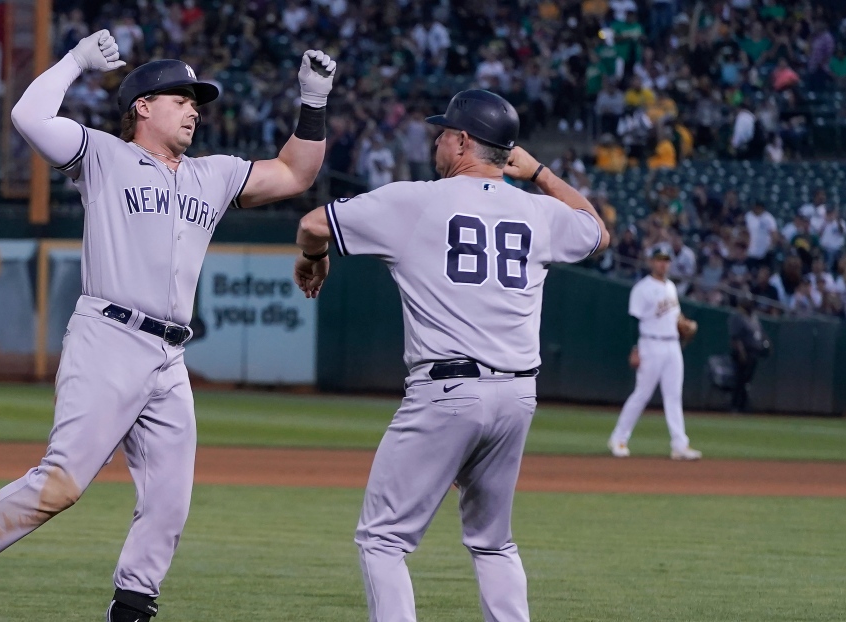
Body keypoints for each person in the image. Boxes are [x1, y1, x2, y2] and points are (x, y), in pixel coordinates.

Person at [0, 30, 337, 622]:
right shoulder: (104, 156)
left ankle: (132, 608)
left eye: (196, 102)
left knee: (168, 500)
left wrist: (314, 100)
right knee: (61, 484)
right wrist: (76, 61)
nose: (192, 109)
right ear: (142, 107)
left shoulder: (212, 173)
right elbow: (28, 115)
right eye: (180, 98)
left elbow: (294, 174)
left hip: (170, 355)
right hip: (109, 335)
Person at [293, 90, 609, 622]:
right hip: (516, 396)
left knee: (383, 539)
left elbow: (312, 224)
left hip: (447, 390)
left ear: (463, 141)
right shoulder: (538, 211)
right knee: (493, 542)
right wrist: (539, 174)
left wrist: (315, 258)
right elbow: (597, 231)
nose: (436, 140)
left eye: (443, 133)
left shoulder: (416, 199)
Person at [608, 248, 703, 460]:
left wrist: (683, 323)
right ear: (651, 262)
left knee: (674, 396)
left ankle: (680, 445)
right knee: (642, 394)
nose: (663, 264)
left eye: (666, 261)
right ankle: (618, 438)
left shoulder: (670, 287)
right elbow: (634, 321)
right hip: (650, 344)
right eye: (660, 260)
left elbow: (674, 315)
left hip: (672, 345)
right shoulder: (642, 289)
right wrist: (635, 349)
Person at [729, 295, 770, 412]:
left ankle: (743, 405)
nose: (750, 304)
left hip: (754, 353)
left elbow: (761, 332)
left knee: (747, 381)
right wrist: (741, 352)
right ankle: (735, 406)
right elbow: (735, 338)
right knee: (740, 380)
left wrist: (766, 344)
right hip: (743, 353)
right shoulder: (737, 316)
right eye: (747, 302)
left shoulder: (753, 316)